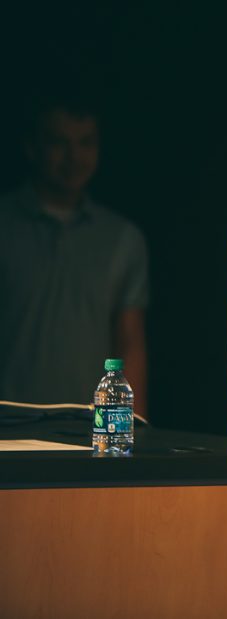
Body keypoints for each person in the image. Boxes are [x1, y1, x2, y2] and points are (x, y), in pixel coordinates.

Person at [0, 95, 149, 413]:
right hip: (8, 426)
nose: (73, 157)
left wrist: (132, 429)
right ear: (32, 147)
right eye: (58, 143)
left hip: (88, 430)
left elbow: (130, 343)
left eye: (86, 143)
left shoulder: (123, 238)